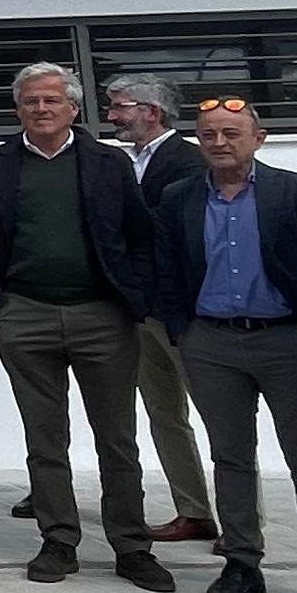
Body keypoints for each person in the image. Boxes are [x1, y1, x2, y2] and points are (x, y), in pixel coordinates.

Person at [0, 64, 169, 590]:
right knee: (45, 438)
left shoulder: (109, 163)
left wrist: (136, 300)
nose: (41, 109)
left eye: (52, 100)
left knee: (117, 439)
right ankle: (58, 540)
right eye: (31, 101)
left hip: (103, 317)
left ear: (74, 108)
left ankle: (132, 546)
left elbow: (140, 236)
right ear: (18, 109)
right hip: (25, 315)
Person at [143, 97, 297, 593]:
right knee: (231, 456)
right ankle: (241, 560)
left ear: (258, 139)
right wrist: (182, 331)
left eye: (231, 133)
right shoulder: (180, 196)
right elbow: (167, 268)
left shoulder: (296, 192)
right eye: (208, 134)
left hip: (286, 341)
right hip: (211, 343)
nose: (219, 143)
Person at [97, 77, 217, 543]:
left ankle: (243, 525)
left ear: (152, 111)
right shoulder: (125, 162)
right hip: (141, 313)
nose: (112, 116)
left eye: (120, 107)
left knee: (220, 421)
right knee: (164, 415)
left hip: (183, 315)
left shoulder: (189, 161)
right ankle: (194, 511)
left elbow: (177, 237)